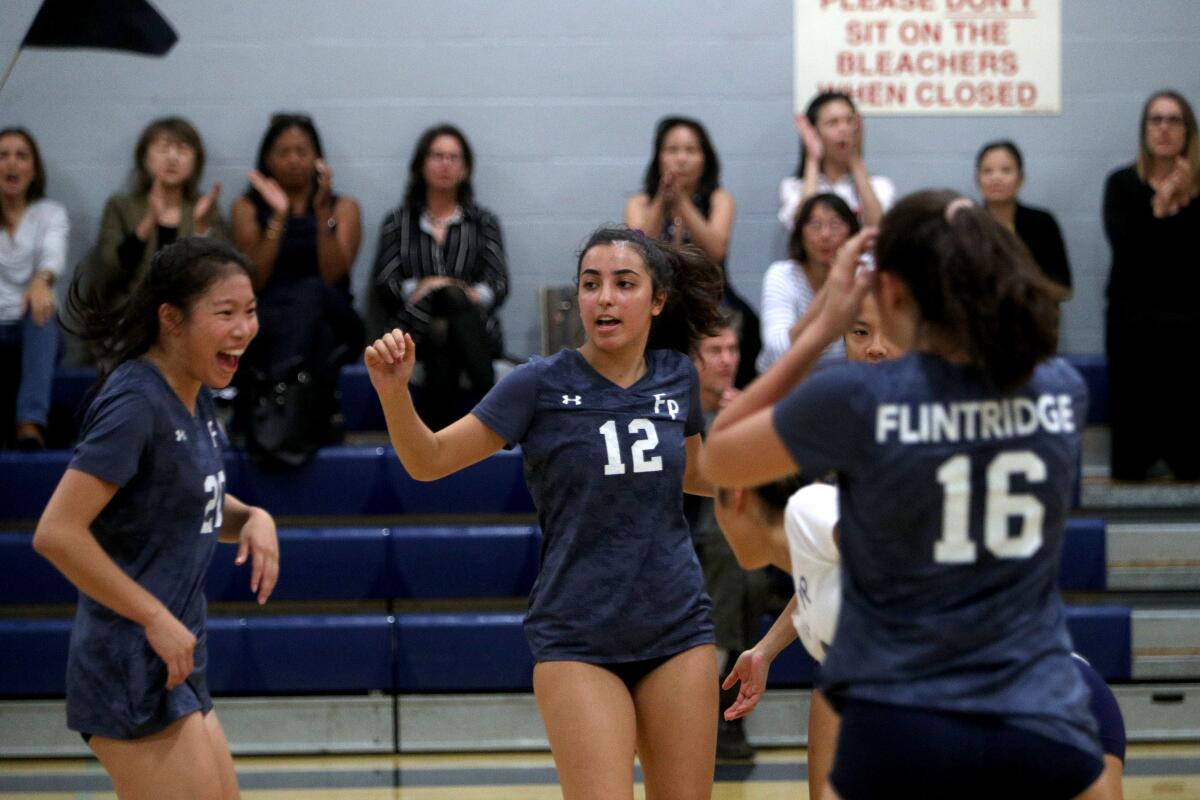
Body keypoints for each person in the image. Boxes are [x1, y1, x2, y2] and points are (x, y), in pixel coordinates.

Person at [701, 190, 1110, 799]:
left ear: (892, 292)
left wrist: (819, 332)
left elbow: (720, 457)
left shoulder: (862, 399)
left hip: (904, 715)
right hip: (1041, 711)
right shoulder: (1060, 388)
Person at [365, 226, 724, 799]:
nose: (604, 297)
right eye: (591, 284)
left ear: (657, 300)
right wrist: (393, 393)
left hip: (677, 629)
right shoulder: (538, 383)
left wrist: (787, 455)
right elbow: (428, 462)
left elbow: (703, 475)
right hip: (578, 636)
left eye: (623, 284)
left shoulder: (678, 377)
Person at [34, 237, 279, 799]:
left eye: (250, 311)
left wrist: (252, 518)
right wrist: (153, 617)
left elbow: (186, 502)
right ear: (171, 319)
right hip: (128, 667)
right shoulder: (135, 403)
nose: (245, 328)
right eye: (226, 314)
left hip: (175, 664)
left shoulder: (193, 391)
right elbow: (57, 533)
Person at [230, 113, 364, 463]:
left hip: (339, 320)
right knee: (312, 333)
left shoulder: (342, 207)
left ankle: (266, 403)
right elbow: (254, 279)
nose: (293, 159)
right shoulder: (246, 208)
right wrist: (277, 216)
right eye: (283, 151)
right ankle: (304, 421)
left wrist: (321, 213)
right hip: (271, 324)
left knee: (312, 291)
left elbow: (334, 273)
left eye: (302, 151)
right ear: (267, 159)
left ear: (318, 160)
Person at [688, 313, 785, 760]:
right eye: (715, 351)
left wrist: (752, 428)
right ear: (694, 360)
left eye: (732, 350)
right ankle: (717, 708)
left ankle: (723, 705)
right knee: (734, 565)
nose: (727, 361)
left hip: (742, 543)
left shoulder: (752, 408)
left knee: (749, 573)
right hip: (692, 540)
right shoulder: (681, 415)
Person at [370, 124, 509, 431]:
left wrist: (441, 287)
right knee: (439, 322)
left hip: (477, 329)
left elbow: (499, 285)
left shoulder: (483, 222)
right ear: (421, 164)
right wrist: (436, 291)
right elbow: (386, 285)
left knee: (444, 326)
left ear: (465, 168)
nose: (445, 164)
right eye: (437, 156)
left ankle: (433, 442)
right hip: (413, 330)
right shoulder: (398, 221)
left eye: (453, 157)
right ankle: (493, 405)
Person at [1103, 89, 1200, 481]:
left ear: (1188, 131)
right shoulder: (1122, 184)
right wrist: (1160, 207)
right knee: (1132, 417)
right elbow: (1128, 251)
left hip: (1191, 321)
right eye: (1155, 120)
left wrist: (1182, 201)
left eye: (1174, 120)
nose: (1164, 129)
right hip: (1133, 321)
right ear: (1144, 130)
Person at [625, 116, 761, 387]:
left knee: (745, 322)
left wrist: (682, 203)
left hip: (711, 296)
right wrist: (662, 202)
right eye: (672, 150)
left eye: (691, 151)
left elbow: (715, 251)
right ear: (659, 157)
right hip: (658, 299)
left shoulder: (719, 199)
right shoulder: (640, 202)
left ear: (705, 158)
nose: (681, 159)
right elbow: (638, 251)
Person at [89, 117, 224, 312]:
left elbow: (220, 274)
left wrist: (201, 226)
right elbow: (109, 270)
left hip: (189, 316)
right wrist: (149, 221)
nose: (172, 157)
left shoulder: (204, 207)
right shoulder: (121, 206)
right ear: (144, 158)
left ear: (196, 161)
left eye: (182, 149)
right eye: (163, 148)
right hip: (131, 312)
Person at [0, 127, 68, 449]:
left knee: (43, 314)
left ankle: (29, 424)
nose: (11, 164)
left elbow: (52, 259)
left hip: (32, 326)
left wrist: (41, 282)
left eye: (21, 156)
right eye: (2, 156)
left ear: (34, 169)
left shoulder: (50, 213)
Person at [757, 193, 859, 372]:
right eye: (815, 225)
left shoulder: (862, 278)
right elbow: (778, 351)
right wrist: (833, 283)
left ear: (851, 233)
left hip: (843, 381)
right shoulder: (782, 275)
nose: (825, 235)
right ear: (800, 233)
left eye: (835, 225)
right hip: (785, 383)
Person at [779, 92, 895, 230]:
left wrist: (856, 161)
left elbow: (878, 229)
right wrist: (813, 160)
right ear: (814, 132)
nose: (844, 129)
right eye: (832, 123)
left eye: (849, 121)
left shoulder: (880, 185)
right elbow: (802, 229)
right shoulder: (794, 187)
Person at [976, 139, 1072, 296]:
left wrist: (1024, 280)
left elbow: (1064, 289)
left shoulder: (1042, 223)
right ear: (978, 180)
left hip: (1032, 315)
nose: (996, 178)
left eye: (1006, 170)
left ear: (1021, 179)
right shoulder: (965, 224)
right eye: (987, 171)